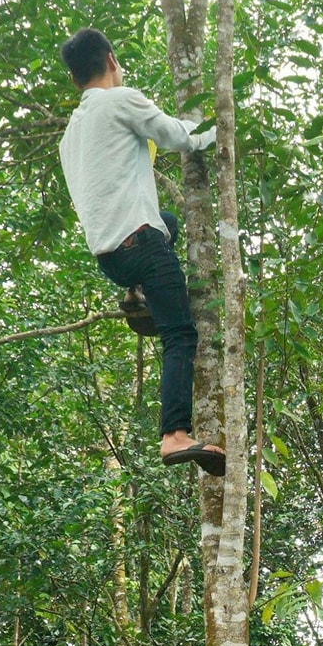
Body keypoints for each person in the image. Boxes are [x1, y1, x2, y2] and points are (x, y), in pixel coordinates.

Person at [57, 27, 225, 476]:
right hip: (142, 244)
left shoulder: (69, 135)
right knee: (180, 335)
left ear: (75, 80)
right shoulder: (121, 99)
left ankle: (136, 293)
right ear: (110, 59)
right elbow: (177, 137)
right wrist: (217, 130)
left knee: (168, 221)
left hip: (110, 256)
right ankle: (174, 435)